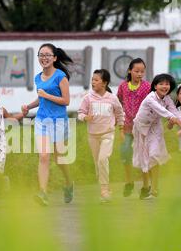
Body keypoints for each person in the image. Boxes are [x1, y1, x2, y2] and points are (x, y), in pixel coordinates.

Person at [22, 43, 74, 206]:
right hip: (42, 120)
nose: (44, 58)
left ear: (55, 58)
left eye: (47, 55)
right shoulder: (38, 77)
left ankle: (69, 183)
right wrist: (29, 106)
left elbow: (66, 101)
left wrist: (46, 95)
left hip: (58, 121)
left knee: (59, 159)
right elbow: (41, 98)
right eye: (41, 55)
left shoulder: (60, 77)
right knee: (44, 156)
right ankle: (43, 193)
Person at [132, 74, 181, 200]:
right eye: (161, 84)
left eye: (167, 84)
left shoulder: (167, 98)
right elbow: (163, 111)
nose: (164, 86)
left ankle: (155, 190)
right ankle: (146, 186)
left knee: (154, 156)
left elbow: (174, 110)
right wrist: (178, 123)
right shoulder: (150, 98)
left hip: (155, 128)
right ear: (155, 86)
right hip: (141, 128)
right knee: (144, 159)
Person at [78, 69, 124, 202]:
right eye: (92, 79)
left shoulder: (112, 98)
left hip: (107, 134)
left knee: (102, 159)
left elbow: (120, 113)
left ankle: (104, 191)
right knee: (97, 164)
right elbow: (80, 113)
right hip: (92, 135)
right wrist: (85, 117)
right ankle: (105, 187)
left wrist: (121, 129)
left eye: (96, 80)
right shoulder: (88, 98)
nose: (93, 82)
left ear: (104, 83)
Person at [116, 58, 151, 197]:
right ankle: (129, 182)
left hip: (143, 127)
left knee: (143, 157)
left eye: (142, 71)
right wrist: (119, 124)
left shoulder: (147, 87)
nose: (139, 74)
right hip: (127, 127)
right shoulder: (123, 86)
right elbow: (118, 101)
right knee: (125, 152)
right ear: (130, 70)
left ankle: (146, 185)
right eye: (136, 71)